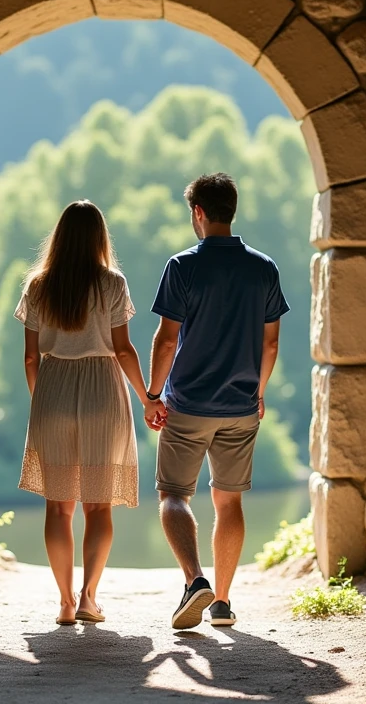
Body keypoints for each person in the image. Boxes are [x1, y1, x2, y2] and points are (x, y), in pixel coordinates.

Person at [144, 173, 289, 630]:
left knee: (173, 494)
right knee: (229, 501)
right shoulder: (264, 268)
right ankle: (222, 603)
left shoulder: (182, 265)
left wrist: (153, 395)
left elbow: (167, 340)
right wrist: (258, 393)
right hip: (241, 406)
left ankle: (194, 582)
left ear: (199, 212)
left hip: (187, 404)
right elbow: (270, 344)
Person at [15, 200, 158, 626]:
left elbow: (30, 358)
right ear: (100, 237)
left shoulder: (38, 286)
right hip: (102, 393)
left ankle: (63, 602)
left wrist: (44, 402)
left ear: (59, 237)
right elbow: (123, 349)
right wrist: (148, 398)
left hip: (53, 390)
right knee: (98, 507)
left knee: (58, 509)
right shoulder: (112, 283)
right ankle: (88, 598)